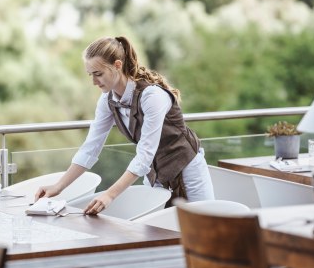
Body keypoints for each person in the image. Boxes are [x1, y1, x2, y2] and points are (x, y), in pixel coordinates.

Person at [35, 36, 214, 215]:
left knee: (203, 232)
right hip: (155, 175)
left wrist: (110, 195)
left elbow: (144, 154)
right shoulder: (108, 100)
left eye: (98, 74)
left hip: (188, 171)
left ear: (118, 65)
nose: (94, 82)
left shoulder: (152, 96)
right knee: (155, 233)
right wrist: (58, 186)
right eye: (91, 75)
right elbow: (90, 148)